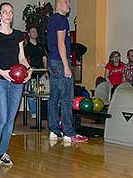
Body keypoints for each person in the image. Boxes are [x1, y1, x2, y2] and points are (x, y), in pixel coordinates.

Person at [0, 2, 32, 166]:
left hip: (16, 82)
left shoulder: (18, 35)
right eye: (5, 12)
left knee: (11, 119)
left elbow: (21, 58)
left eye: (10, 12)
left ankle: (3, 152)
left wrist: (28, 69)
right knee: (2, 118)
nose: (8, 14)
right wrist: (2, 72)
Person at [47, 0, 88, 143]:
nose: (69, 6)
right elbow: (61, 43)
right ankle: (69, 133)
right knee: (66, 99)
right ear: (59, 3)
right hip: (60, 62)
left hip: (52, 62)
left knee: (54, 98)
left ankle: (53, 130)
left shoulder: (52, 19)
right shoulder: (62, 20)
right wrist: (66, 66)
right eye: (67, 2)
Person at [24, 25, 48, 119]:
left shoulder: (41, 46)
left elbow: (44, 58)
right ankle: (33, 112)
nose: (34, 33)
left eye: (35, 31)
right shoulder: (26, 47)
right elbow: (24, 60)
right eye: (32, 32)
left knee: (43, 92)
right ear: (29, 34)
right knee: (31, 93)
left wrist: (46, 71)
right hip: (31, 74)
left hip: (41, 72)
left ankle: (41, 112)